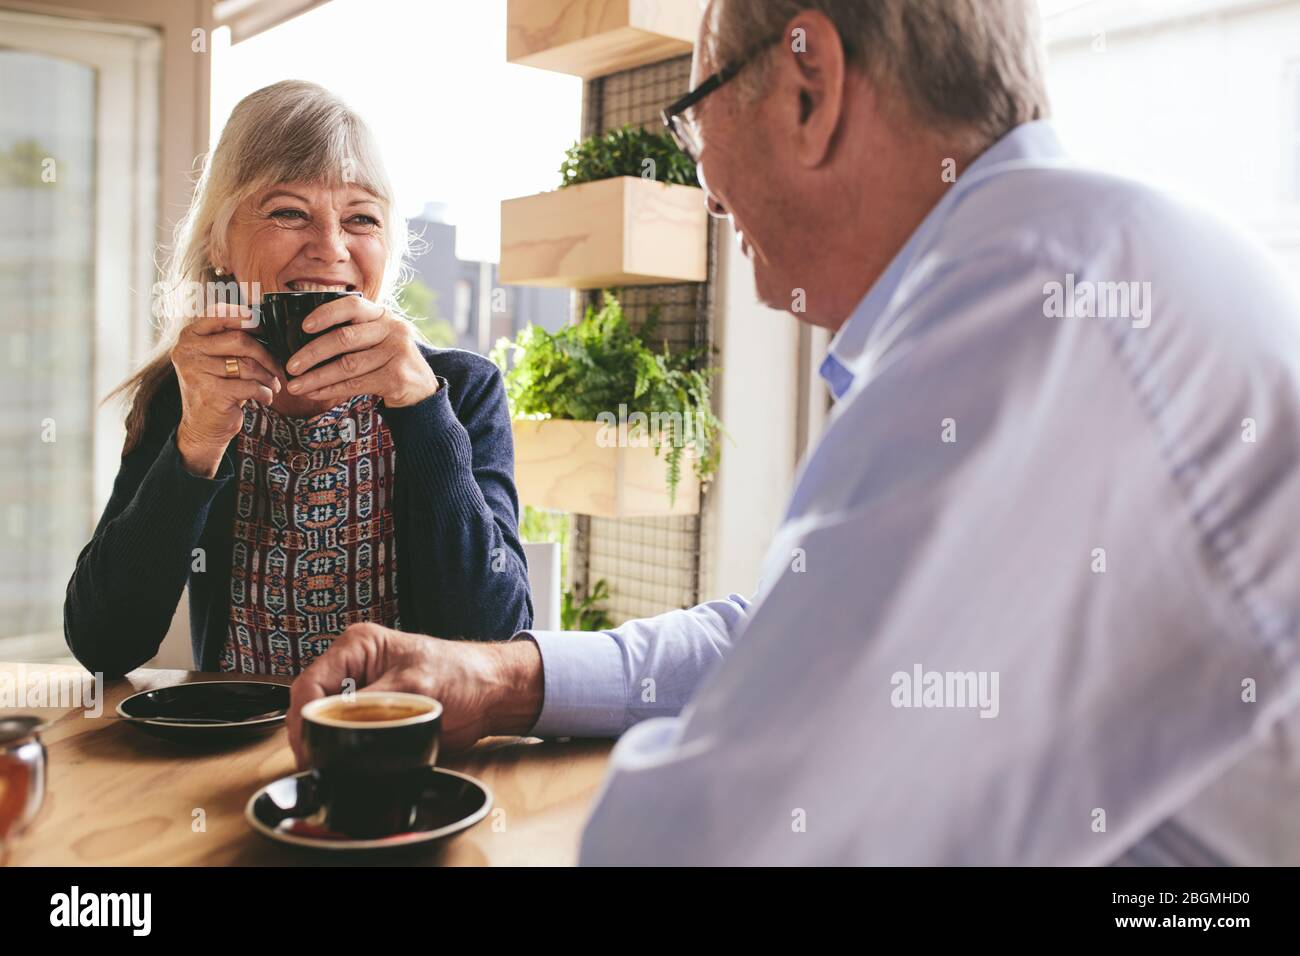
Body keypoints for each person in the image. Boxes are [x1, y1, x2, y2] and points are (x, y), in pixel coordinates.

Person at [289, 0, 1300, 864]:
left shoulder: (1026, 308)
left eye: (691, 116)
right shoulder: (1068, 256)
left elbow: (723, 835)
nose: (700, 178)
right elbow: (784, 628)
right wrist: (508, 676)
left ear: (807, 87)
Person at [64, 80, 531, 678]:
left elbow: (497, 636)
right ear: (218, 245)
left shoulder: (460, 392)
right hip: (237, 750)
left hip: (407, 744)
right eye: (289, 212)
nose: (331, 247)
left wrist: (420, 410)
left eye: (361, 218)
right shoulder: (188, 391)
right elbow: (105, 645)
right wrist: (198, 442)